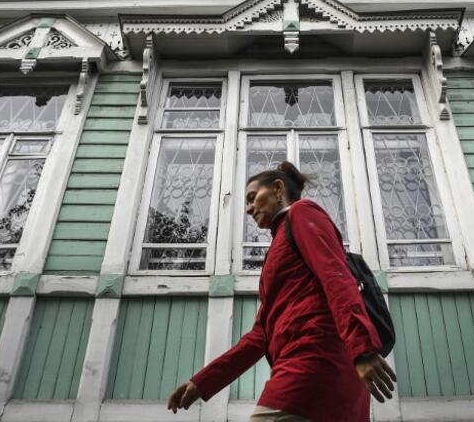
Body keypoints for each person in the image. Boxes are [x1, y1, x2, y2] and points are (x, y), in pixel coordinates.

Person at [167, 161, 397, 422]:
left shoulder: (302, 213)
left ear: (278, 189)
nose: (248, 209)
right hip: (321, 373)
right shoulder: (278, 250)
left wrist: (363, 349)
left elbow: (336, 277)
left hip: (313, 366)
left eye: (253, 198)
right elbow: (259, 336)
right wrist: (203, 383)